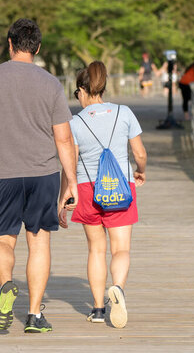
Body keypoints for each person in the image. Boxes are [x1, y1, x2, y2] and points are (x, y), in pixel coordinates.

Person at [0, 18, 78, 333]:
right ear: (37, 48)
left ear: (9, 43)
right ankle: (34, 316)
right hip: (44, 174)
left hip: (3, 174)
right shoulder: (51, 83)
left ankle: (5, 287)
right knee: (39, 243)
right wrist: (72, 182)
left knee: (1, 239)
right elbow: (64, 139)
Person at [58, 61, 147, 328]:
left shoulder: (74, 122)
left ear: (83, 91)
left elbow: (69, 164)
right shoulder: (124, 113)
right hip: (120, 187)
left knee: (96, 250)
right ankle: (117, 288)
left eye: (77, 93)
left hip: (87, 189)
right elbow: (140, 153)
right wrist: (140, 170)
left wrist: (64, 197)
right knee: (121, 249)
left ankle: (97, 309)